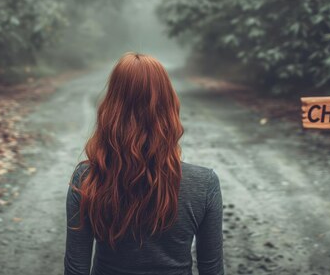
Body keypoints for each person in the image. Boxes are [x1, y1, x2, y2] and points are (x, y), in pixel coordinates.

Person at [64, 52, 224, 275]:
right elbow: (212, 270)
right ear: (169, 107)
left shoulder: (86, 178)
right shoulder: (205, 184)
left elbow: (76, 270)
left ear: (111, 109)